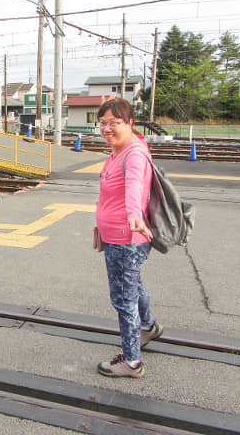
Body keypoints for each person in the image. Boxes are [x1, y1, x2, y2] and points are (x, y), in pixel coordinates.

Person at [93, 97, 163, 379]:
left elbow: (134, 185)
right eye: (103, 123)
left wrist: (135, 214)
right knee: (133, 285)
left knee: (124, 298)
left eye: (115, 123)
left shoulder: (133, 154)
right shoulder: (119, 150)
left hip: (126, 237)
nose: (107, 128)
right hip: (118, 235)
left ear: (130, 123)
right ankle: (148, 327)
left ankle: (132, 362)